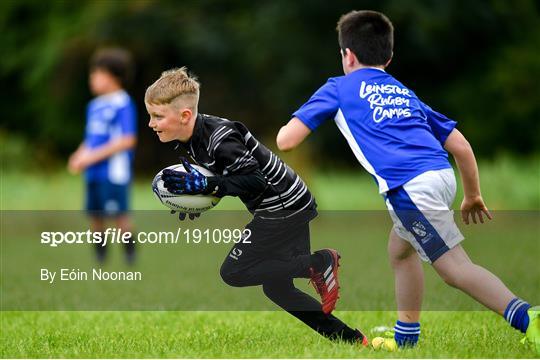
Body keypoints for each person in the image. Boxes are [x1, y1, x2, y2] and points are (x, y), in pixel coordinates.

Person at [276, 10, 538, 351]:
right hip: (441, 176)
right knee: (400, 251)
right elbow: (460, 145)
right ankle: (406, 339)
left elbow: (286, 141)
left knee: (455, 269)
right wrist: (472, 195)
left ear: (348, 55)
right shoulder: (404, 91)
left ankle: (528, 318)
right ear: (389, 56)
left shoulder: (338, 89)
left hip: (411, 189)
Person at [144, 67, 369, 345]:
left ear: (185, 115)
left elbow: (254, 181)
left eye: (157, 116)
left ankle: (318, 262)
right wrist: (195, 201)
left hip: (281, 205)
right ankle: (353, 341)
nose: (151, 124)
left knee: (234, 272)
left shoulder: (220, 138)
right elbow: (221, 180)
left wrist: (206, 186)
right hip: (290, 201)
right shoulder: (194, 140)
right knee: (279, 289)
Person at [68, 48, 137, 264]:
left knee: (119, 217)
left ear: (112, 76)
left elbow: (127, 140)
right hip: (93, 173)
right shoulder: (94, 106)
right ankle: (101, 263)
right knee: (95, 217)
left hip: (114, 173)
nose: (91, 79)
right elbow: (91, 138)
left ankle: (130, 260)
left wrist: (91, 157)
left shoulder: (123, 103)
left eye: (96, 74)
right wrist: (79, 156)